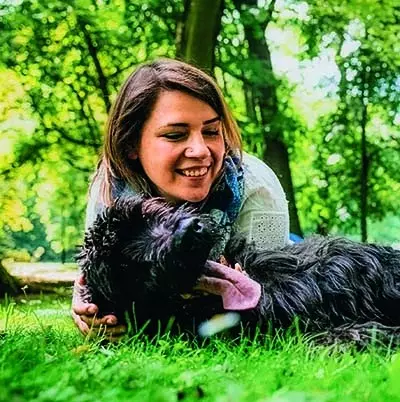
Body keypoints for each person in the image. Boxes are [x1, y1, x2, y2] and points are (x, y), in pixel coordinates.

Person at [72, 58, 290, 340]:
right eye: (175, 135)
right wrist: (88, 308)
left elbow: (270, 293)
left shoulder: (257, 187)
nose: (200, 150)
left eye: (211, 131)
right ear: (130, 145)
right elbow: (95, 274)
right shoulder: (111, 189)